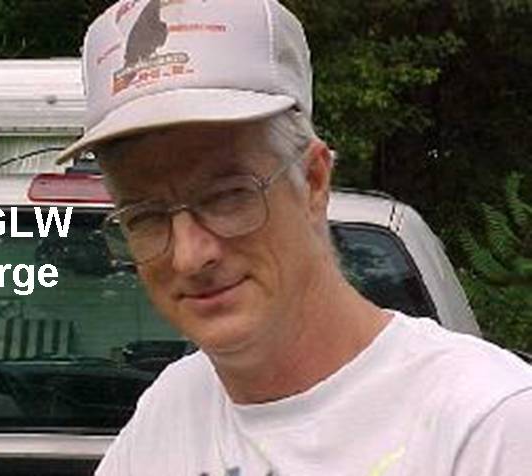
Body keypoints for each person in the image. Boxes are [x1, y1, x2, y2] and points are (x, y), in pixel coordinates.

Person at [57, 0, 532, 474]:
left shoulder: (488, 426)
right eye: (145, 217)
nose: (188, 256)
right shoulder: (169, 414)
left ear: (314, 181)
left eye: (227, 196)